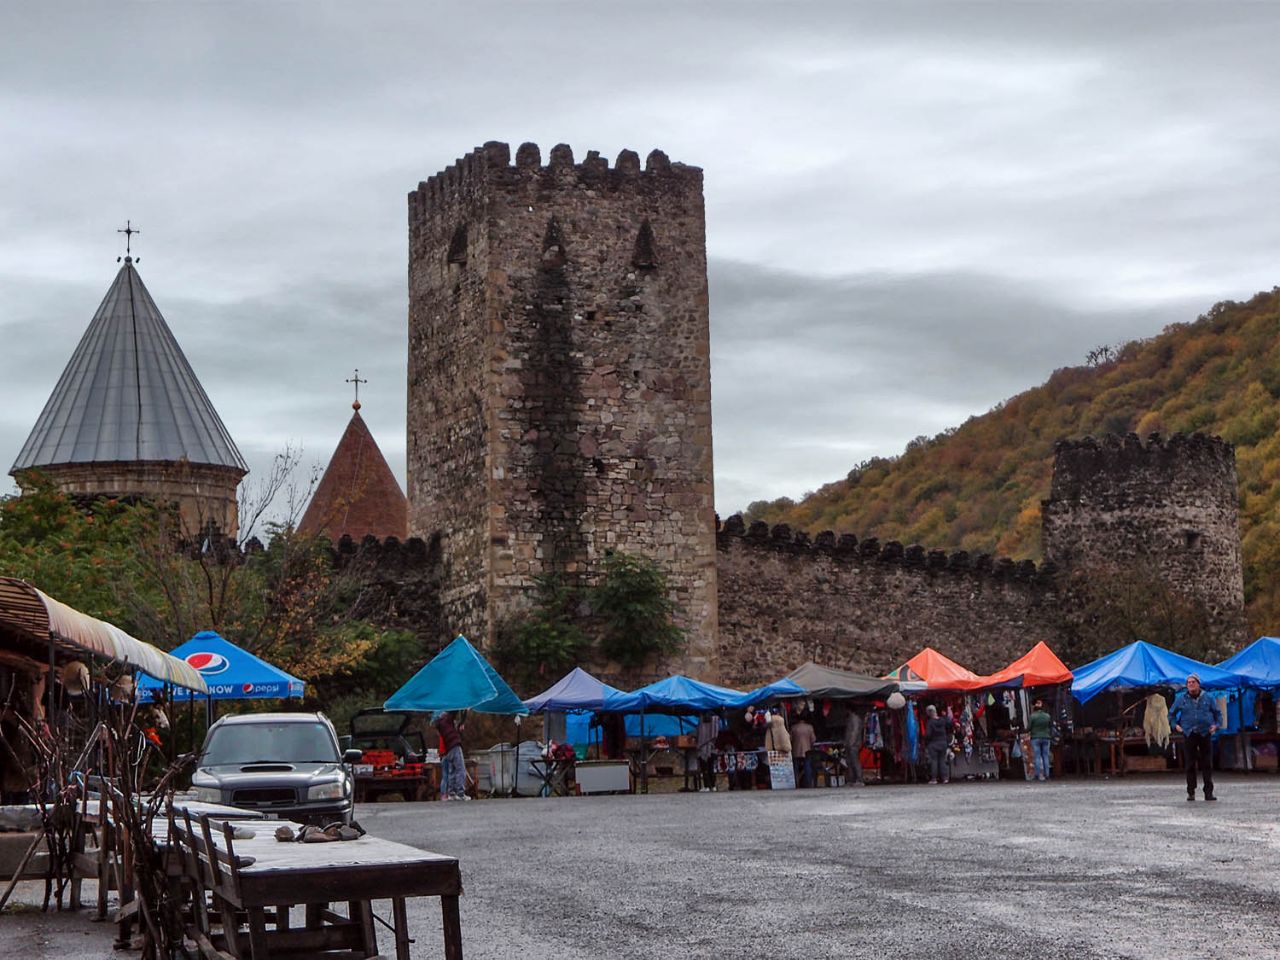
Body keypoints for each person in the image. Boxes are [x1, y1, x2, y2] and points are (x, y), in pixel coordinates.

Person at [1169, 674, 1219, 801]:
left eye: (1193, 682)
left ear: (1198, 684)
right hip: (1189, 733)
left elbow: (1217, 713)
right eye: (1188, 682)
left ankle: (1208, 792)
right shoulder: (1182, 699)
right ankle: (1191, 791)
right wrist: (1176, 726)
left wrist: (1216, 725)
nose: (1190, 684)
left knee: (1207, 763)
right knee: (1190, 764)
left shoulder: (1208, 697)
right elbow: (1171, 715)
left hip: (1204, 733)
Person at [433, 710, 469, 801]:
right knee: (460, 769)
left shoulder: (441, 725)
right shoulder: (446, 720)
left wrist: (464, 713)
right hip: (454, 745)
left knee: (451, 771)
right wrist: (463, 707)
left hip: (448, 749)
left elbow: (455, 725)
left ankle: (451, 793)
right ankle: (460, 793)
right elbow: (454, 712)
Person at [1028, 699, 1053, 782]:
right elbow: (1050, 726)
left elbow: (1029, 728)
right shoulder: (1047, 716)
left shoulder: (1032, 716)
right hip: (1046, 737)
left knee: (1037, 756)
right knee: (1045, 756)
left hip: (1035, 738)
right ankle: (1047, 775)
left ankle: (1038, 775)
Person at [924, 705, 950, 784]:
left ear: (929, 713)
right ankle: (945, 778)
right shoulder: (942, 720)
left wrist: (926, 741)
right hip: (943, 743)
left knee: (934, 761)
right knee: (942, 760)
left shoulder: (930, 722)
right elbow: (949, 725)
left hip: (933, 744)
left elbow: (928, 734)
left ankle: (934, 779)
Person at [790, 714, 817, 787]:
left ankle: (795, 784)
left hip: (796, 751)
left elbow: (790, 739)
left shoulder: (793, 727)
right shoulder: (809, 727)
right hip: (807, 751)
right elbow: (813, 739)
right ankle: (808, 784)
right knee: (807, 767)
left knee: (795, 768)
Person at [843, 707, 865, 786]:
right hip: (850, 743)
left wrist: (851, 742)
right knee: (849, 761)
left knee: (855, 761)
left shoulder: (855, 718)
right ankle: (852, 779)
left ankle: (859, 779)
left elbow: (855, 731)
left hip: (853, 744)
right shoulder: (850, 718)